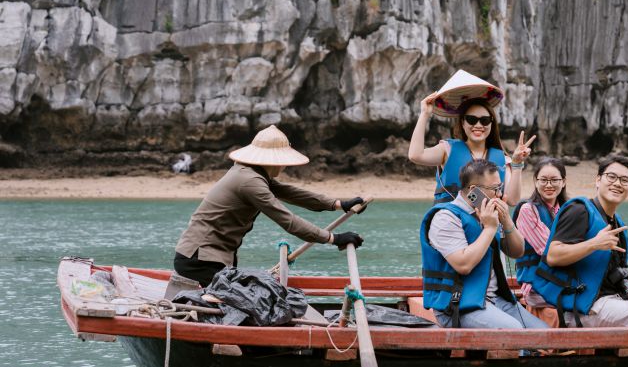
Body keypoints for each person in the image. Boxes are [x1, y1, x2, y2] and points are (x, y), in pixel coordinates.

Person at [170, 125, 366, 293]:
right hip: (199, 261)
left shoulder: (249, 172)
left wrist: (338, 204)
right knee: (248, 300)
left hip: (210, 258)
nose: (283, 167)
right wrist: (333, 238)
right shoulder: (250, 181)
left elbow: (291, 193)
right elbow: (288, 220)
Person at [525, 156, 628, 329]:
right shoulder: (579, 210)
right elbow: (553, 255)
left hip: (608, 301)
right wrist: (594, 244)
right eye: (611, 177)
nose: (617, 183)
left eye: (624, 180)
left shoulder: (616, 223)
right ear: (598, 180)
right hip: (581, 307)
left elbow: (617, 274)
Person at [419, 159, 549, 329]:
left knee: (543, 332)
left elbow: (517, 251)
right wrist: (489, 229)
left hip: (495, 299)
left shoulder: (489, 213)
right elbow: (463, 264)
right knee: (515, 331)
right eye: (494, 189)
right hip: (459, 305)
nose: (499, 194)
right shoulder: (446, 218)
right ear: (473, 190)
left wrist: (507, 221)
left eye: (500, 188)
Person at [409, 94, 534, 206]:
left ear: (491, 123)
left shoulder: (502, 159)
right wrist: (425, 114)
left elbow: (512, 200)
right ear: (463, 123)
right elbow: (416, 155)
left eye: (484, 120)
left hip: (486, 229)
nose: (478, 125)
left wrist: (517, 164)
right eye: (471, 119)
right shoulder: (447, 149)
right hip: (449, 226)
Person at [513, 157, 568, 314]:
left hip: (564, 279)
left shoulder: (568, 209)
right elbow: (550, 252)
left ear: (563, 182)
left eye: (554, 180)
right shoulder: (528, 211)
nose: (549, 185)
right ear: (535, 182)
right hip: (538, 285)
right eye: (543, 180)